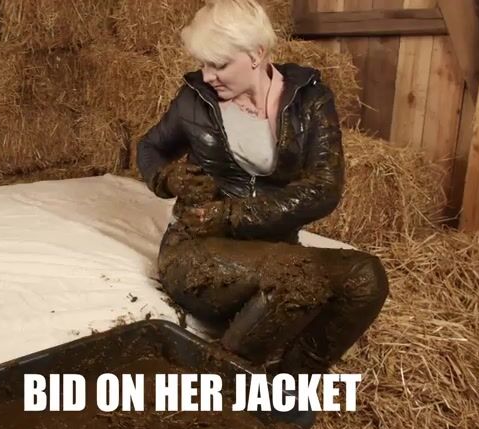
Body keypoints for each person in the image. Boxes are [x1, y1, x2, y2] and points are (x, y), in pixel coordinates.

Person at [136, 0, 389, 374]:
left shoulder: (309, 100)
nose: (207, 76)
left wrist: (231, 214)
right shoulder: (194, 99)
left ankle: (289, 381)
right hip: (197, 249)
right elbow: (149, 147)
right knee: (295, 275)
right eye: (204, 64)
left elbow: (324, 188)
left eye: (219, 65)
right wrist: (167, 177)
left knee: (367, 277)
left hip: (274, 248)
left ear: (256, 54)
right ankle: (222, 381)